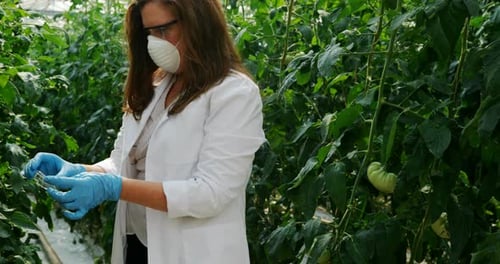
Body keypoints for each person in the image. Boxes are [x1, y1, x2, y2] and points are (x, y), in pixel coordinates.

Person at [23, 0, 266, 263]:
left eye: (163, 30)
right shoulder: (156, 84)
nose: (154, 43)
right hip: (137, 244)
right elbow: (122, 161)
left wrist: (113, 187)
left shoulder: (234, 94)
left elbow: (211, 193)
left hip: (192, 252)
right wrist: (81, 169)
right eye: (149, 33)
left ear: (198, 23)